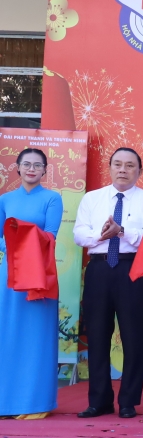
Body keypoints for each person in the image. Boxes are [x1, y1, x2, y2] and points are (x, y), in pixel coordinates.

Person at [73, 147, 143, 418]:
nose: (123, 170)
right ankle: (99, 400)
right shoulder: (92, 198)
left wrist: (121, 231)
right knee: (97, 335)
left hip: (132, 268)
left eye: (130, 166)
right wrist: (101, 236)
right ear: (109, 168)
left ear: (139, 171)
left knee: (133, 336)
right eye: (118, 164)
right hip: (99, 269)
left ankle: (128, 402)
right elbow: (79, 233)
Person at [0, 148, 63, 418]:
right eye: (26, 164)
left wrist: (21, 239)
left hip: (39, 272)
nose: (31, 169)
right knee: (8, 335)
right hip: (10, 274)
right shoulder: (5, 199)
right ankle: (7, 402)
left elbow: (50, 235)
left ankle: (35, 403)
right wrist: (16, 242)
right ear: (17, 167)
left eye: (38, 165)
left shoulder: (52, 198)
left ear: (45, 171)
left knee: (37, 336)